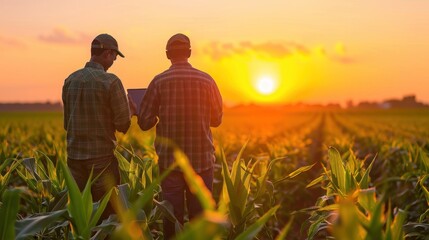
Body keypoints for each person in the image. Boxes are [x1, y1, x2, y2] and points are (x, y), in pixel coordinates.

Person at [135, 33, 223, 238]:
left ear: (167, 55)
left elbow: (145, 122)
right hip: (202, 162)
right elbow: (217, 120)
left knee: (171, 220)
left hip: (170, 163)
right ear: (190, 53)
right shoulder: (207, 80)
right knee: (200, 220)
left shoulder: (158, 81)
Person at [62, 33, 131, 221]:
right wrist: (129, 109)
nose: (115, 60)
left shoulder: (70, 80)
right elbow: (123, 124)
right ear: (108, 53)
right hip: (102, 161)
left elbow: (67, 123)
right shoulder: (111, 81)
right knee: (106, 215)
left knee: (79, 216)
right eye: (115, 56)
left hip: (74, 159)